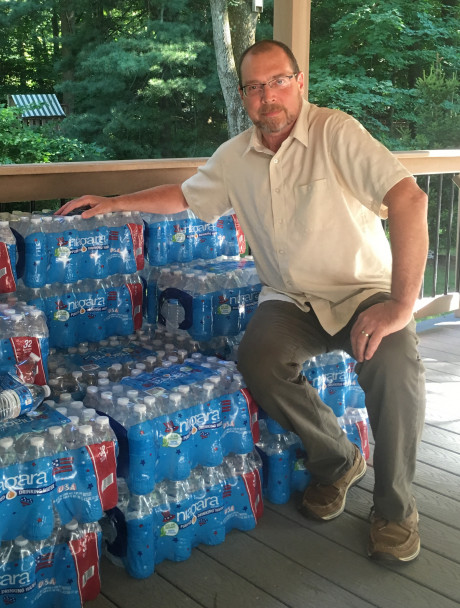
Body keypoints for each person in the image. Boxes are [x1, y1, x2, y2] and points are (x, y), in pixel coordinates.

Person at [57, 39, 428, 563]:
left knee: (395, 364)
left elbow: (408, 197)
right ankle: (338, 459)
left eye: (277, 81)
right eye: (253, 87)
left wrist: (400, 306)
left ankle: (395, 509)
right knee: (257, 359)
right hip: (291, 299)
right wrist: (116, 203)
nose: (266, 96)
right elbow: (186, 195)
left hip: (359, 290)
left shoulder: (335, 131)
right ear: (244, 95)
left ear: (299, 83)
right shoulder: (236, 156)